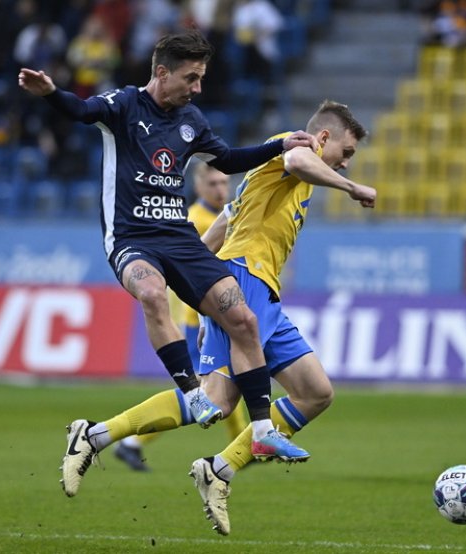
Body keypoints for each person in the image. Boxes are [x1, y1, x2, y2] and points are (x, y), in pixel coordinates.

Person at [48, 100, 375, 534]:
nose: (346, 163)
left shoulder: (286, 178)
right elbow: (295, 156)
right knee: (217, 401)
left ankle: (218, 468)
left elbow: (226, 217)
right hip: (243, 280)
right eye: (346, 153)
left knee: (315, 392)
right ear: (324, 138)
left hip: (260, 290)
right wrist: (350, 188)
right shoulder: (292, 150)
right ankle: (95, 437)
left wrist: (196, 273)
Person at [18, 29, 315, 497]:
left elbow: (230, 158)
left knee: (241, 316)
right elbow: (79, 111)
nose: (197, 87)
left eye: (201, 78)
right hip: (132, 238)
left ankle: (261, 430)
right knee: (152, 293)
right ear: (162, 72)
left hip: (179, 237)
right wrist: (52, 92)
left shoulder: (191, 120)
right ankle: (192, 392)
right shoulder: (122, 106)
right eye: (191, 77)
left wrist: (277, 147)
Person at [114, 161, 248, 471]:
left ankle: (244, 443)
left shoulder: (224, 217)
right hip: (195, 318)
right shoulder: (193, 220)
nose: (220, 189)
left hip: (217, 315)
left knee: (224, 384)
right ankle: (132, 440)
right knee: (206, 391)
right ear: (199, 187)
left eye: (224, 183)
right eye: (213, 183)